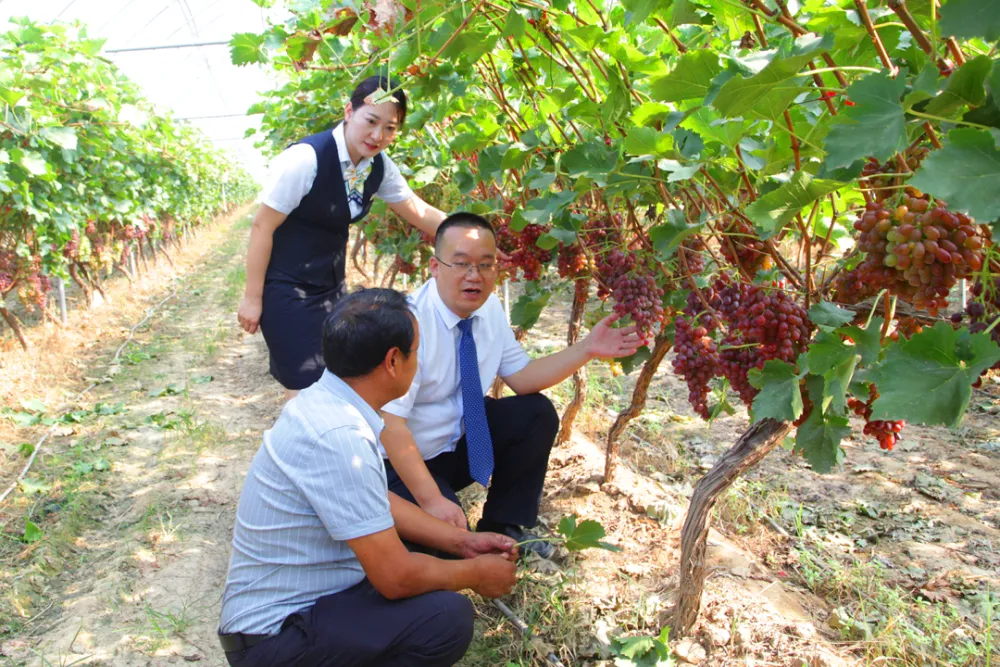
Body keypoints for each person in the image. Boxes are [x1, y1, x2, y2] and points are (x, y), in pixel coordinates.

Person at [219, 288, 518, 667]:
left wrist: (462, 542)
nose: (419, 360)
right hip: (273, 641)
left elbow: (376, 499)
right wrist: (476, 574)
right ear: (393, 361)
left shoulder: (328, 402)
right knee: (444, 619)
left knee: (431, 554)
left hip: (296, 613)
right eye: (417, 351)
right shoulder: (339, 436)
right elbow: (395, 578)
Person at [380, 213, 643, 559]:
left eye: (486, 265)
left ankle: (504, 526)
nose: (474, 276)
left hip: (456, 445)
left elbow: (522, 377)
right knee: (449, 547)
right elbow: (390, 425)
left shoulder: (487, 307)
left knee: (535, 414)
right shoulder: (409, 324)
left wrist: (587, 348)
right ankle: (433, 517)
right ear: (435, 266)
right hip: (400, 462)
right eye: (461, 264)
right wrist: (431, 501)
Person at [237, 75, 447, 399]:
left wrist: (473, 236)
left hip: (332, 290)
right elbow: (262, 226)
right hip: (287, 289)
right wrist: (253, 298)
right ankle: (301, 447)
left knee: (336, 382)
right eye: (371, 121)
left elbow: (418, 212)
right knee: (307, 390)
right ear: (349, 111)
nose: (378, 135)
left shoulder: (377, 167)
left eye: (390, 128)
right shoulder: (305, 159)